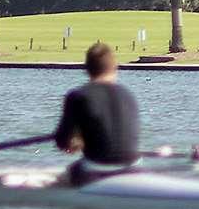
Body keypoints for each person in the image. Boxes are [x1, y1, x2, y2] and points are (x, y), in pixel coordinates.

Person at [54, 43, 141, 187]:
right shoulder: (128, 95)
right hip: (134, 166)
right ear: (114, 67)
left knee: (68, 173)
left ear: (87, 69)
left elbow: (63, 142)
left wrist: (76, 143)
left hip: (97, 169)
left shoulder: (78, 96)